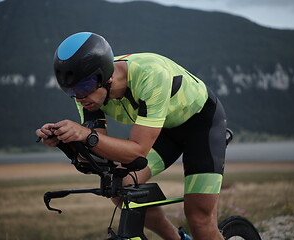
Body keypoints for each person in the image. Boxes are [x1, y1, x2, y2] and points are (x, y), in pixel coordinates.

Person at [36, 32, 227, 240]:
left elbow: (137, 152)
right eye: (70, 91)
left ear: (106, 76)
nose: (79, 97)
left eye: (83, 88)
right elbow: (98, 152)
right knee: (120, 187)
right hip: (162, 130)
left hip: (200, 125)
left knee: (199, 218)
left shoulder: (151, 75)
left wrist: (84, 134)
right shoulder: (87, 94)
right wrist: (69, 142)